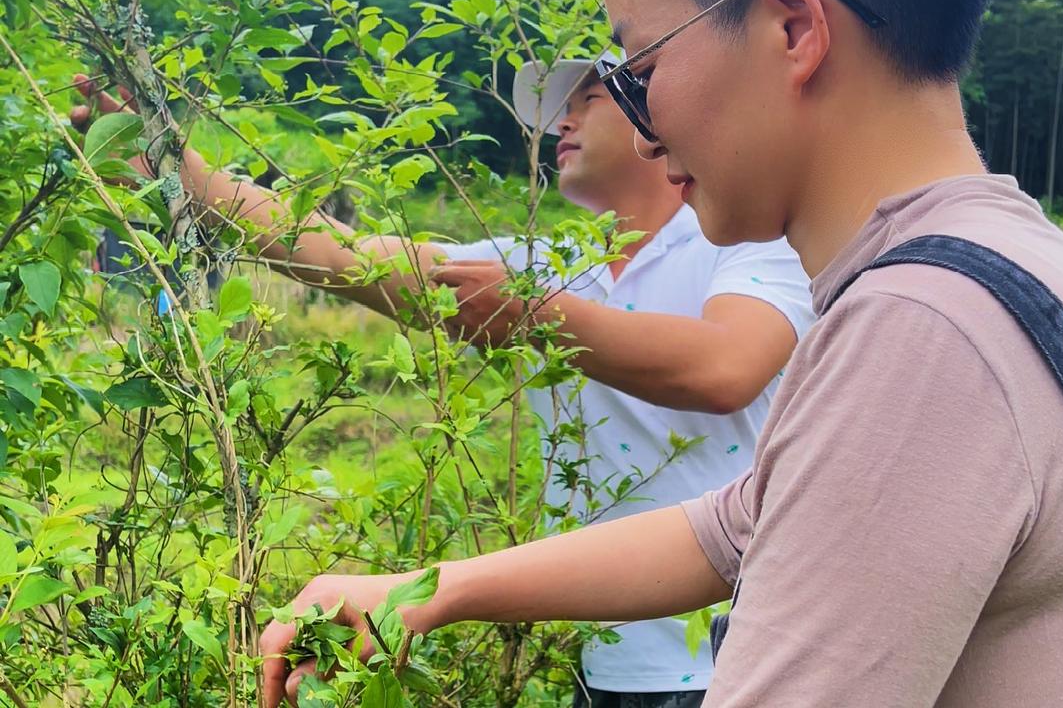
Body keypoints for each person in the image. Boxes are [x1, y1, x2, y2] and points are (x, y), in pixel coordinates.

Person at [257, 0, 1063, 708]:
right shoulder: (1025, 264)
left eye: (639, 69)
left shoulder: (922, 337)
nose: (643, 132)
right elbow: (737, 521)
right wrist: (427, 592)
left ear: (791, 23)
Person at [72, 61, 812, 705]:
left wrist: (532, 316)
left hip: (734, 652)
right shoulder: (543, 263)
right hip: (598, 649)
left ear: (659, 107)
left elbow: (723, 367)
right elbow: (345, 255)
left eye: (589, 96)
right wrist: (181, 173)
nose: (563, 120)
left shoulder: (749, 243)